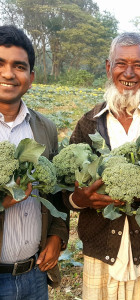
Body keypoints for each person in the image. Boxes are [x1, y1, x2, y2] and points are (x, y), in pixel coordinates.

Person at [64, 32, 140, 300]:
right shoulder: (87, 123)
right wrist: (80, 199)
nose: (128, 73)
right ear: (109, 67)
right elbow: (65, 193)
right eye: (121, 63)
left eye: (138, 65)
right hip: (99, 252)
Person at [0, 25, 69, 299]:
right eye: (1, 64)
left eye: (19, 66)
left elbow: (57, 192)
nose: (8, 73)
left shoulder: (45, 129)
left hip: (35, 276)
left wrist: (57, 236)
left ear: (30, 77)